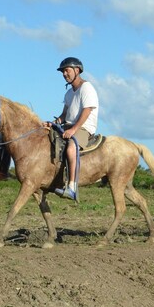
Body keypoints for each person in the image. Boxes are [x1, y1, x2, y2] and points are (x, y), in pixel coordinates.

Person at [47, 57, 98, 201]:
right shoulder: (69, 93)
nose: (64, 74)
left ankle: (72, 188)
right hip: (68, 126)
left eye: (66, 70)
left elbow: (87, 110)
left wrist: (74, 129)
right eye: (63, 71)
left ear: (77, 70)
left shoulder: (86, 88)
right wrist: (53, 123)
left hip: (84, 127)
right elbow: (64, 115)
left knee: (70, 148)